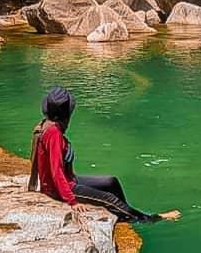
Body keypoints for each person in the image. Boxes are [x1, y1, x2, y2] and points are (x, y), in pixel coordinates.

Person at [28, 85, 181, 223]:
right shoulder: (53, 133)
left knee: (110, 182)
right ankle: (150, 219)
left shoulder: (47, 126)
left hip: (70, 180)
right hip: (59, 189)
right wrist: (72, 201)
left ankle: (124, 212)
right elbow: (56, 172)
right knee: (110, 199)